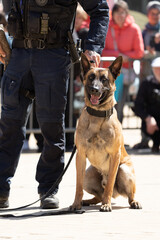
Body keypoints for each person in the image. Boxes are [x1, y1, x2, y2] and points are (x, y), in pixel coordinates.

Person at [0, 0, 109, 209]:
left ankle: (48, 189)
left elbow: (100, 10)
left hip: (53, 56)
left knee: (52, 127)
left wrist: (93, 47)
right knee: (9, 125)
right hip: (18, 54)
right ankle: (0, 191)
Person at [102, 0, 144, 123]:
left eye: (123, 12)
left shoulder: (134, 28)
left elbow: (139, 52)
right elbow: (101, 50)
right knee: (104, 105)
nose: (120, 16)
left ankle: (117, 135)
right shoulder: (106, 26)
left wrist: (125, 57)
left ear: (127, 13)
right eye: (118, 12)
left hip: (123, 73)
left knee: (119, 105)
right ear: (113, 13)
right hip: (106, 74)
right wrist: (118, 56)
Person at [133, 1, 160, 150]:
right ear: (148, 14)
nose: (155, 16)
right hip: (147, 74)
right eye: (152, 13)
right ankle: (145, 139)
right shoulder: (143, 32)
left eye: (158, 14)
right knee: (145, 105)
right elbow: (139, 50)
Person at [134, 57, 160, 153]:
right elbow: (138, 105)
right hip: (152, 120)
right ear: (153, 70)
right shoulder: (146, 83)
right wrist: (148, 118)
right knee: (148, 126)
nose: (159, 71)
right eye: (157, 69)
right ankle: (154, 143)